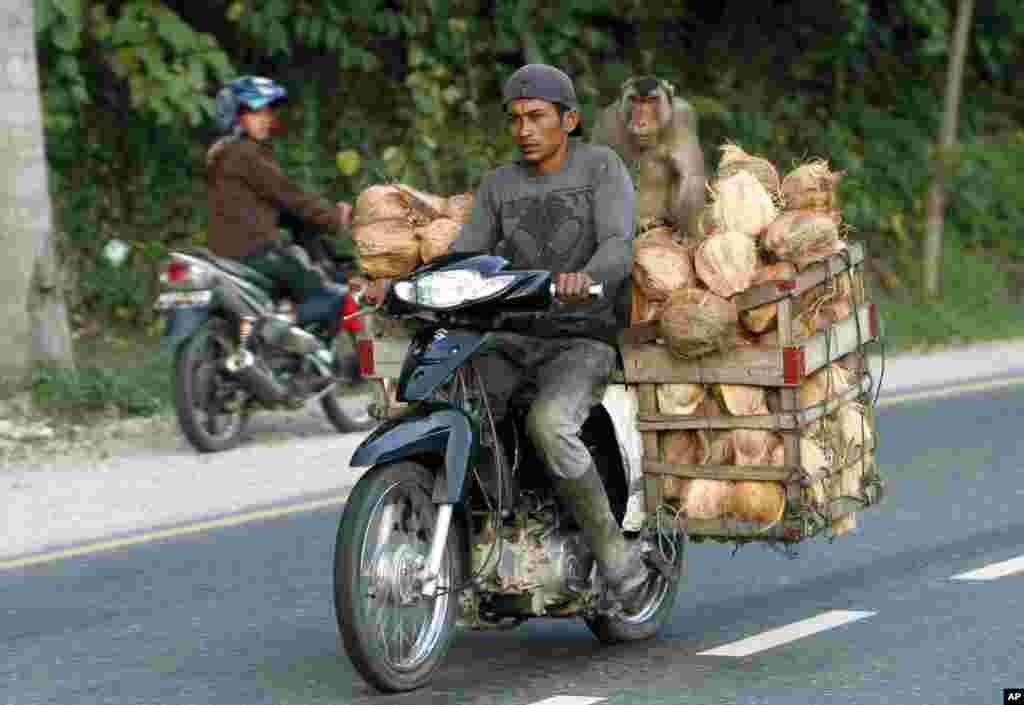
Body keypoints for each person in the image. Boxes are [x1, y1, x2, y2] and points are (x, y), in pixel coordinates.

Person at [449, 64, 650, 608]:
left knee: (550, 422)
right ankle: (493, 527)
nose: (524, 130)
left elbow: (617, 245)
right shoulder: (497, 184)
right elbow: (466, 251)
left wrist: (587, 276)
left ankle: (613, 552)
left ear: (570, 119)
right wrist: (413, 285)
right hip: (511, 335)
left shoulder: (601, 167)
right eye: (514, 119)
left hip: (580, 337)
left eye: (537, 117)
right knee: (459, 410)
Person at [206, 76, 355, 335]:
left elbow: (267, 206)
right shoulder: (245, 155)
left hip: (227, 255)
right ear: (234, 116)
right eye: (255, 112)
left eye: (267, 112)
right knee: (335, 296)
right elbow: (291, 196)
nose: (266, 119)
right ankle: (277, 327)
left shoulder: (221, 155)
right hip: (255, 254)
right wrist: (334, 217)